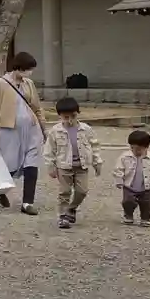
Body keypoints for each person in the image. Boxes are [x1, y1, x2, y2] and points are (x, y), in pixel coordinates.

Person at [0, 51, 46, 215]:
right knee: (9, 165)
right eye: (28, 69)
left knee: (31, 163)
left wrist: (44, 128)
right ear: (19, 67)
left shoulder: (29, 84)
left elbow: (37, 107)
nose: (30, 73)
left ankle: (27, 203)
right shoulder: (0, 83)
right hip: (9, 130)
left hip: (31, 128)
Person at [44, 96, 101, 230]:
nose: (69, 119)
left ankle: (72, 208)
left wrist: (97, 162)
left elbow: (95, 146)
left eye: (73, 116)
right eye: (66, 117)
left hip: (82, 166)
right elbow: (49, 150)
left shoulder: (86, 129)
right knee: (64, 192)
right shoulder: (55, 131)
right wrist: (51, 166)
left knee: (82, 191)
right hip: (63, 166)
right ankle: (63, 216)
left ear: (78, 113)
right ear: (59, 116)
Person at [115, 130, 150, 226]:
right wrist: (119, 180)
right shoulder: (124, 157)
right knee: (127, 202)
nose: (135, 151)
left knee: (147, 205)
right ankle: (128, 215)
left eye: (139, 149)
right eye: (132, 148)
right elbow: (119, 169)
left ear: (146, 147)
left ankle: (145, 218)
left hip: (146, 188)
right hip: (129, 186)